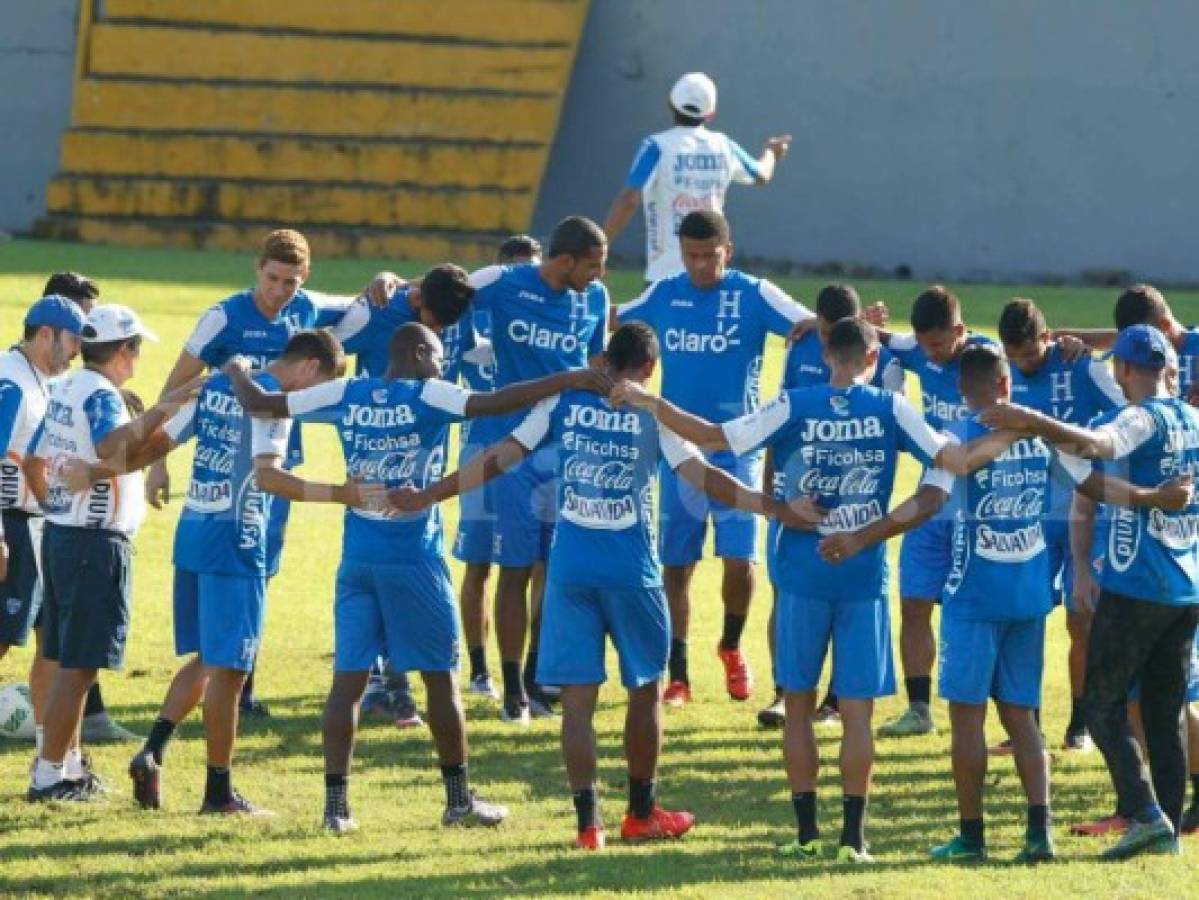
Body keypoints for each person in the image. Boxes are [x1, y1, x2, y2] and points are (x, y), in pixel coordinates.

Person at [396, 322, 812, 849]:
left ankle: (588, 826)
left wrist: (432, 493)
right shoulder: (654, 411)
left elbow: (500, 455)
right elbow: (707, 476)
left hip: (569, 571)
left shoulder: (563, 403)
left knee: (576, 704)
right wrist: (775, 509)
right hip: (631, 570)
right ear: (650, 368)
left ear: (605, 361)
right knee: (645, 692)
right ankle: (640, 814)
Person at [616, 318, 1016, 862]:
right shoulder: (891, 408)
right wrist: (871, 532)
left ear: (826, 352)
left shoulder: (793, 404)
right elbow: (947, 467)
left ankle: (806, 835)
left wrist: (648, 401)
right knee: (857, 714)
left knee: (799, 707)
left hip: (800, 574)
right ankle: (855, 839)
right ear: (873, 360)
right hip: (862, 574)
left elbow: (713, 438)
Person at [228, 321, 611, 832]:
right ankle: (458, 803)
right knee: (440, 681)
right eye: (435, 355)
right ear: (416, 352)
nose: (441, 364)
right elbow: (495, 402)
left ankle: (336, 809)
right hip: (414, 559)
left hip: (357, 558)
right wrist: (568, 379)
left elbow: (264, 404)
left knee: (348, 683)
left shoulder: (348, 389)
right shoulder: (428, 393)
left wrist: (236, 371)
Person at [64, 331, 349, 814]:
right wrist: (344, 494)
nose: (308, 397)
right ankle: (218, 792)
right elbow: (268, 478)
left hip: (193, 534)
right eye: (317, 385)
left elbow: (153, 448)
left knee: (209, 657)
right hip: (237, 542)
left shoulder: (215, 387)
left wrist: (95, 471)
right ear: (309, 367)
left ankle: (152, 750)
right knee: (233, 670)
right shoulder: (272, 404)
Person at [144, 229, 383, 719]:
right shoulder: (223, 317)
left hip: (279, 465)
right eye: (273, 279)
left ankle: (239, 682)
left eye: (291, 282)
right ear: (257, 269)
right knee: (234, 569)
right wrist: (158, 463)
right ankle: (226, 679)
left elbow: (364, 303)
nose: (280, 291)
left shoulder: (305, 309)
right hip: (230, 474)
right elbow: (173, 389)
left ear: (304, 279)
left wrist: (388, 278)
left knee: (262, 571)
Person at [981, 324, 1199, 859]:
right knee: (1165, 710)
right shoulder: (1193, 419)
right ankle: (1166, 827)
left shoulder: (1138, 415)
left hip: (1137, 583)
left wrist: (1032, 420)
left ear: (1124, 369)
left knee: (1102, 705)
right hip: (1186, 586)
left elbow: (1101, 443)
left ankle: (1145, 815)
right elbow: (1092, 479)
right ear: (1168, 367)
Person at [616, 209, 814, 708]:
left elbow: (810, 323)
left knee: (738, 561)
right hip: (677, 448)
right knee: (677, 565)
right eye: (691, 256)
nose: (700, 265)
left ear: (729, 249)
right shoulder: (665, 293)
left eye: (709, 255)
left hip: (735, 448)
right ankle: (677, 673)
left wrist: (850, 325)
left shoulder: (754, 294)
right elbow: (612, 319)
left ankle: (729, 644)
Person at [26, 304, 197, 801]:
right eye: (137, 348)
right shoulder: (102, 394)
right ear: (125, 351)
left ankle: (69, 767)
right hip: (93, 544)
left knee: (63, 660)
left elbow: (39, 459)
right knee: (78, 667)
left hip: (63, 536)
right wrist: (169, 406)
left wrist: (53, 505)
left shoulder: (67, 388)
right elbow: (108, 448)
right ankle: (50, 776)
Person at [757, 284, 905, 729]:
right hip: (797, 498)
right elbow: (776, 425)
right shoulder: (800, 346)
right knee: (786, 594)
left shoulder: (884, 365)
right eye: (821, 330)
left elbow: (891, 440)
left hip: (853, 499)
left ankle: (839, 699)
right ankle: (786, 692)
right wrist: (771, 490)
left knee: (850, 602)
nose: (824, 340)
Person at [334, 264, 476, 728]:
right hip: (375, 455)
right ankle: (384, 683)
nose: (438, 333)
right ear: (417, 305)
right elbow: (332, 347)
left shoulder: (450, 306)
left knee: (411, 556)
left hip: (427, 449)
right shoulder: (377, 310)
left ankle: (392, 681)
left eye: (444, 329)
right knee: (382, 562)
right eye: (433, 322)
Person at [998, 298, 1125, 753]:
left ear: (1048, 338)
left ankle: (1081, 722)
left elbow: (1129, 415)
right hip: (1027, 518)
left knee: (1081, 618)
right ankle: (1026, 727)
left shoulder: (1081, 367)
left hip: (1082, 514)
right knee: (1026, 618)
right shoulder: (1003, 376)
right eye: (1016, 358)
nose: (1024, 365)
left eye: (1030, 356)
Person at [876, 286, 999, 737]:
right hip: (933, 497)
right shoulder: (916, 351)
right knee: (913, 602)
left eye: (942, 344)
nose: (935, 354)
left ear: (960, 331)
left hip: (985, 503)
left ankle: (997, 712)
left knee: (982, 611)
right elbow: (880, 340)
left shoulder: (990, 360)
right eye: (927, 345)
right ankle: (919, 710)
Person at [453, 235, 544, 700]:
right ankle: (479, 668)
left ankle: (534, 670)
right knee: (480, 565)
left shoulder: (544, 326)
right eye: (515, 271)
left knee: (535, 564)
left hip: (533, 454)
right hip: (479, 452)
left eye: (532, 268)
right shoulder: (471, 330)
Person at [603, 71, 791, 284]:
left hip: (664, 274)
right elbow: (761, 174)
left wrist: (601, 246)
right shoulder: (724, 145)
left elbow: (629, 199)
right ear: (710, 114)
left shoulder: (655, 146)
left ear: (670, 104)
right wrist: (772, 153)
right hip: (712, 271)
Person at [1, 297, 86, 671]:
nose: (77, 353)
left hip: (32, 526)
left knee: (46, 634)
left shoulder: (40, 378)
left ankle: (43, 728)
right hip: (11, 524)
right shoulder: (12, 384)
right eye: (73, 342)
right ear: (47, 334)